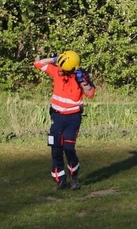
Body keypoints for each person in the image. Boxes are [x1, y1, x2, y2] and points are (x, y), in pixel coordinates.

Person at [34, 50, 96, 190]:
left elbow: (90, 93)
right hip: (57, 117)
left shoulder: (81, 75)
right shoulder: (57, 71)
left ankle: (74, 178)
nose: (62, 70)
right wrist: (56, 59)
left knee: (69, 148)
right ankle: (60, 180)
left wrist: (81, 81)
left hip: (73, 118)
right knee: (56, 149)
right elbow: (38, 63)